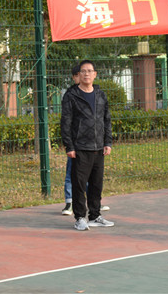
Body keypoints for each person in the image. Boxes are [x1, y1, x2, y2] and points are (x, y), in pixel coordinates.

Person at [60, 60, 114, 230]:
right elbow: (65, 122)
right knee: (79, 185)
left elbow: (107, 119)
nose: (86, 74)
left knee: (96, 184)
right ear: (79, 74)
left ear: (95, 74)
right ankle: (79, 218)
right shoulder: (71, 96)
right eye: (83, 71)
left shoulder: (101, 95)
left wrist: (107, 142)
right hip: (80, 147)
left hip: (99, 147)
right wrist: (69, 146)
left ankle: (95, 216)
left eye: (90, 71)